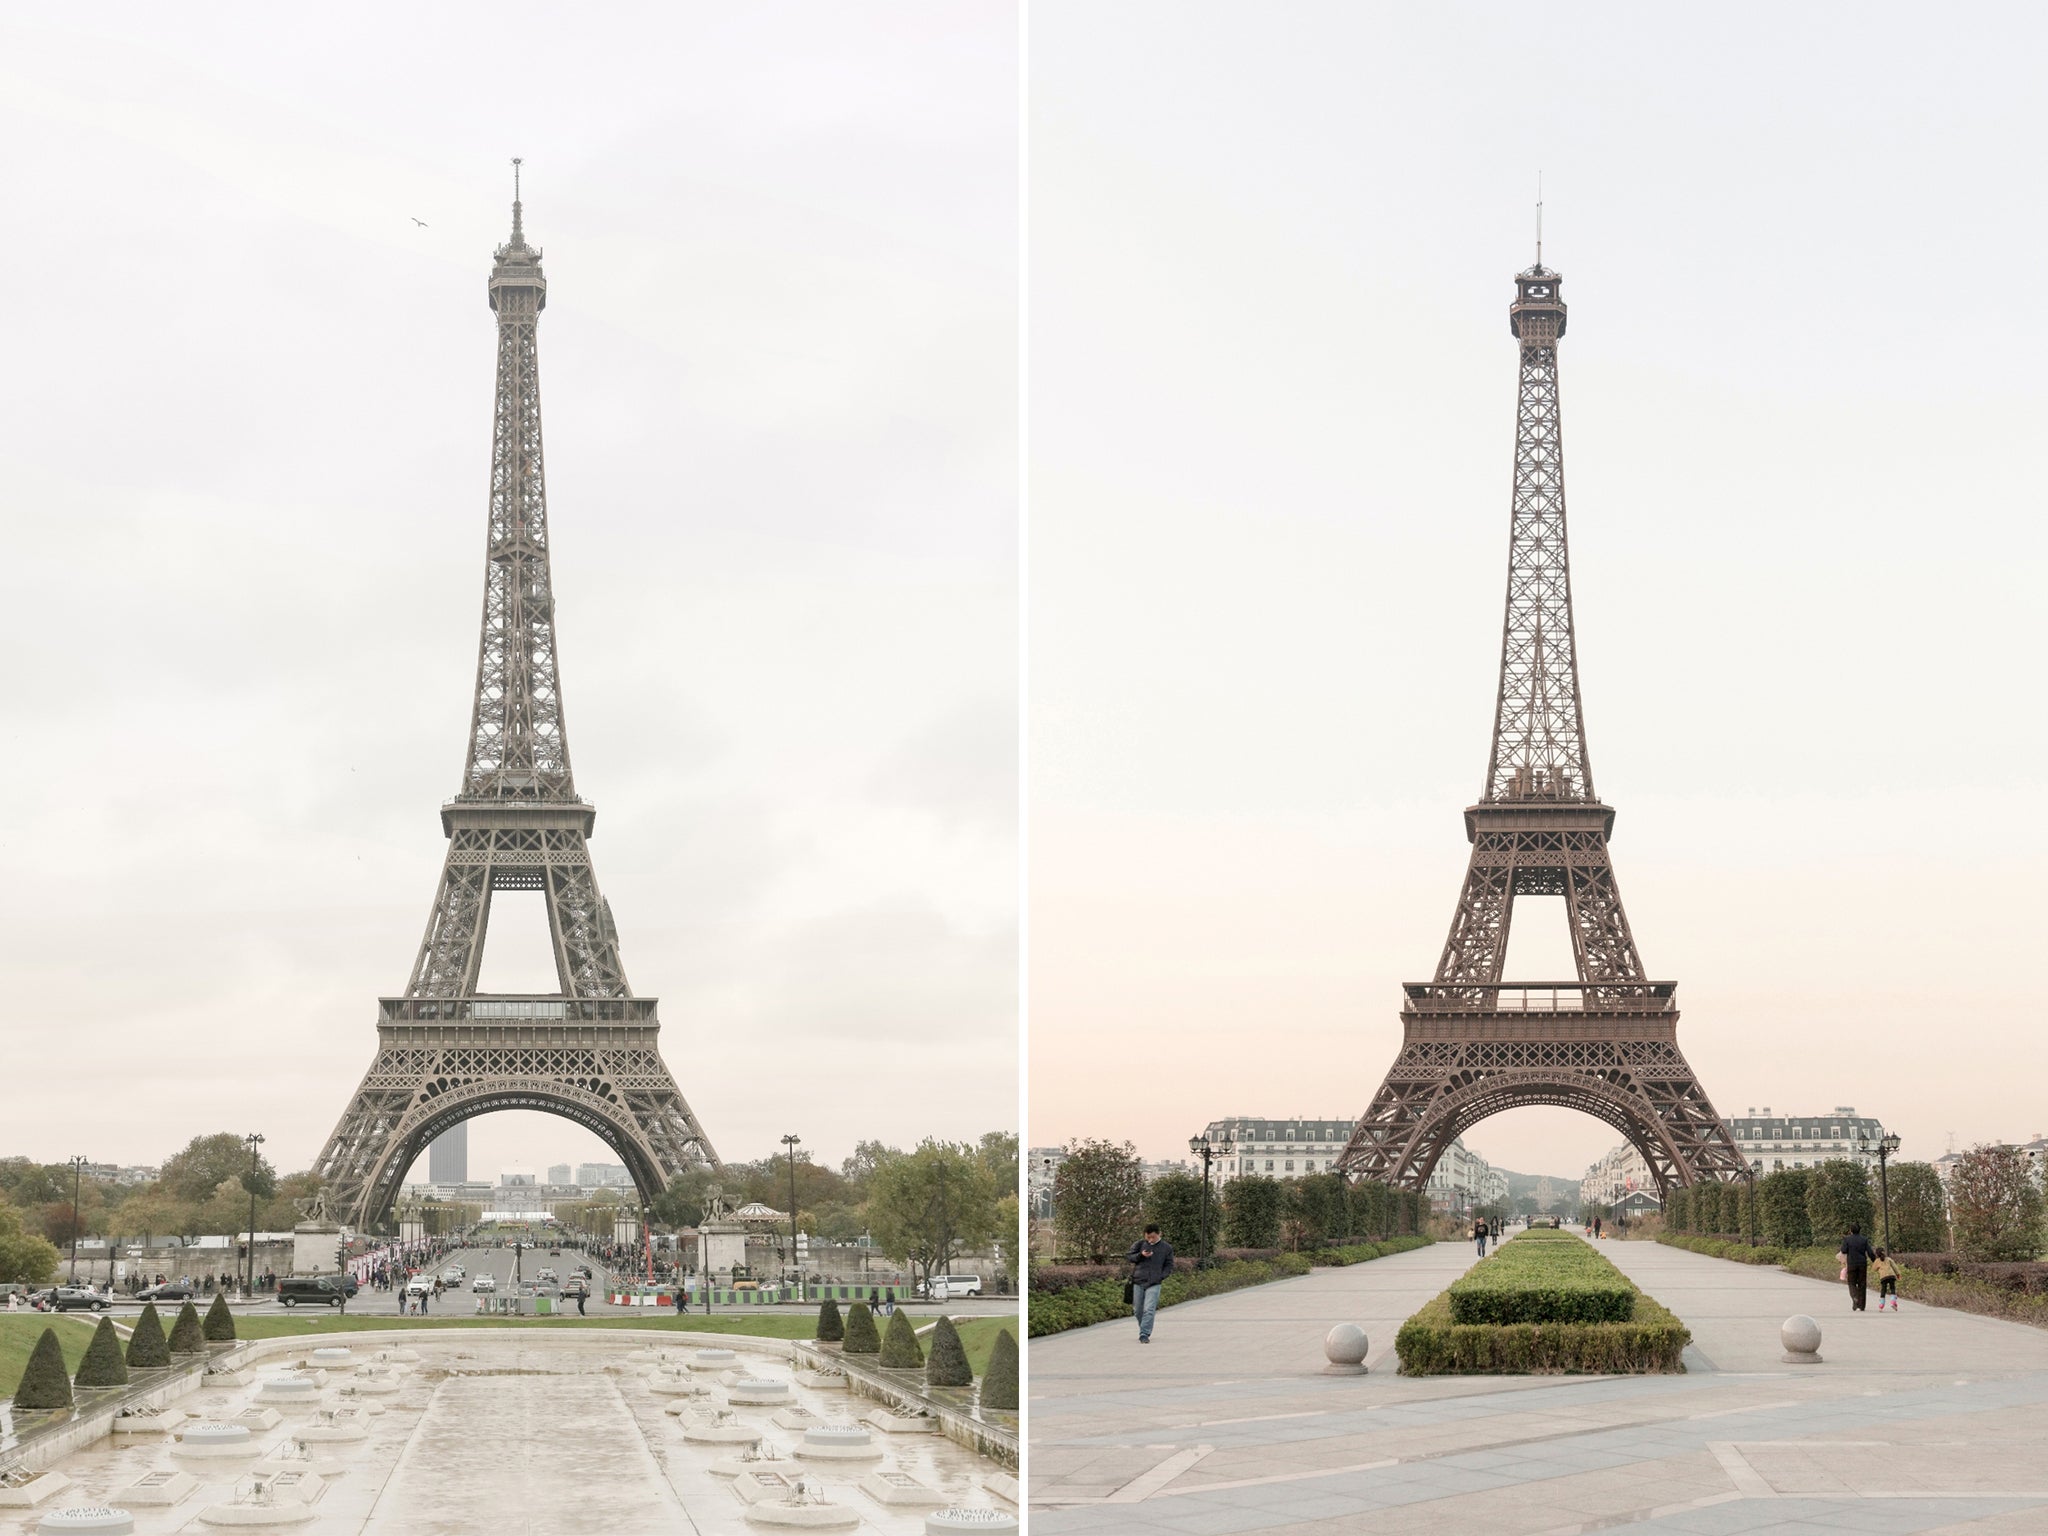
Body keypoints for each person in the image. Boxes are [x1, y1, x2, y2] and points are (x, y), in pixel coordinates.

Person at [1126, 1222, 1175, 1344]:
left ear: (1159, 1234)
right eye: (1148, 1237)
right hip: (1138, 1280)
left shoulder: (1166, 1248)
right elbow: (1129, 1257)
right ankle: (1144, 1327)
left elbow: (1169, 1265)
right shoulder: (1139, 1244)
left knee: (1149, 1309)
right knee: (1138, 1310)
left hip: (1154, 1282)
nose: (1150, 1240)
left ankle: (1144, 1333)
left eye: (1153, 1237)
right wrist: (1140, 1255)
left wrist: (1161, 1276)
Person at [1839, 1224, 1875, 1312]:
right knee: (1862, 1284)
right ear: (1859, 1230)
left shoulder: (1847, 1239)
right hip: (1862, 1264)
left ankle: (1855, 1297)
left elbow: (1843, 1250)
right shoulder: (1864, 1239)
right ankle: (1861, 1306)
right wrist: (1875, 1260)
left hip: (1851, 1264)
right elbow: (1870, 1252)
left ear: (1851, 1230)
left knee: (1851, 1283)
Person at [1871, 1247, 1899, 1311]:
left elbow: (1873, 1269)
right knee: (1892, 1288)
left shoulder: (1877, 1261)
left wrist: (1878, 1268)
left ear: (1877, 1254)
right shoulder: (1888, 1259)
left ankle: (1881, 1305)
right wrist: (1898, 1274)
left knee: (1883, 1290)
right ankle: (1893, 1302)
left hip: (1883, 1277)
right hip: (1891, 1275)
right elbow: (1895, 1267)